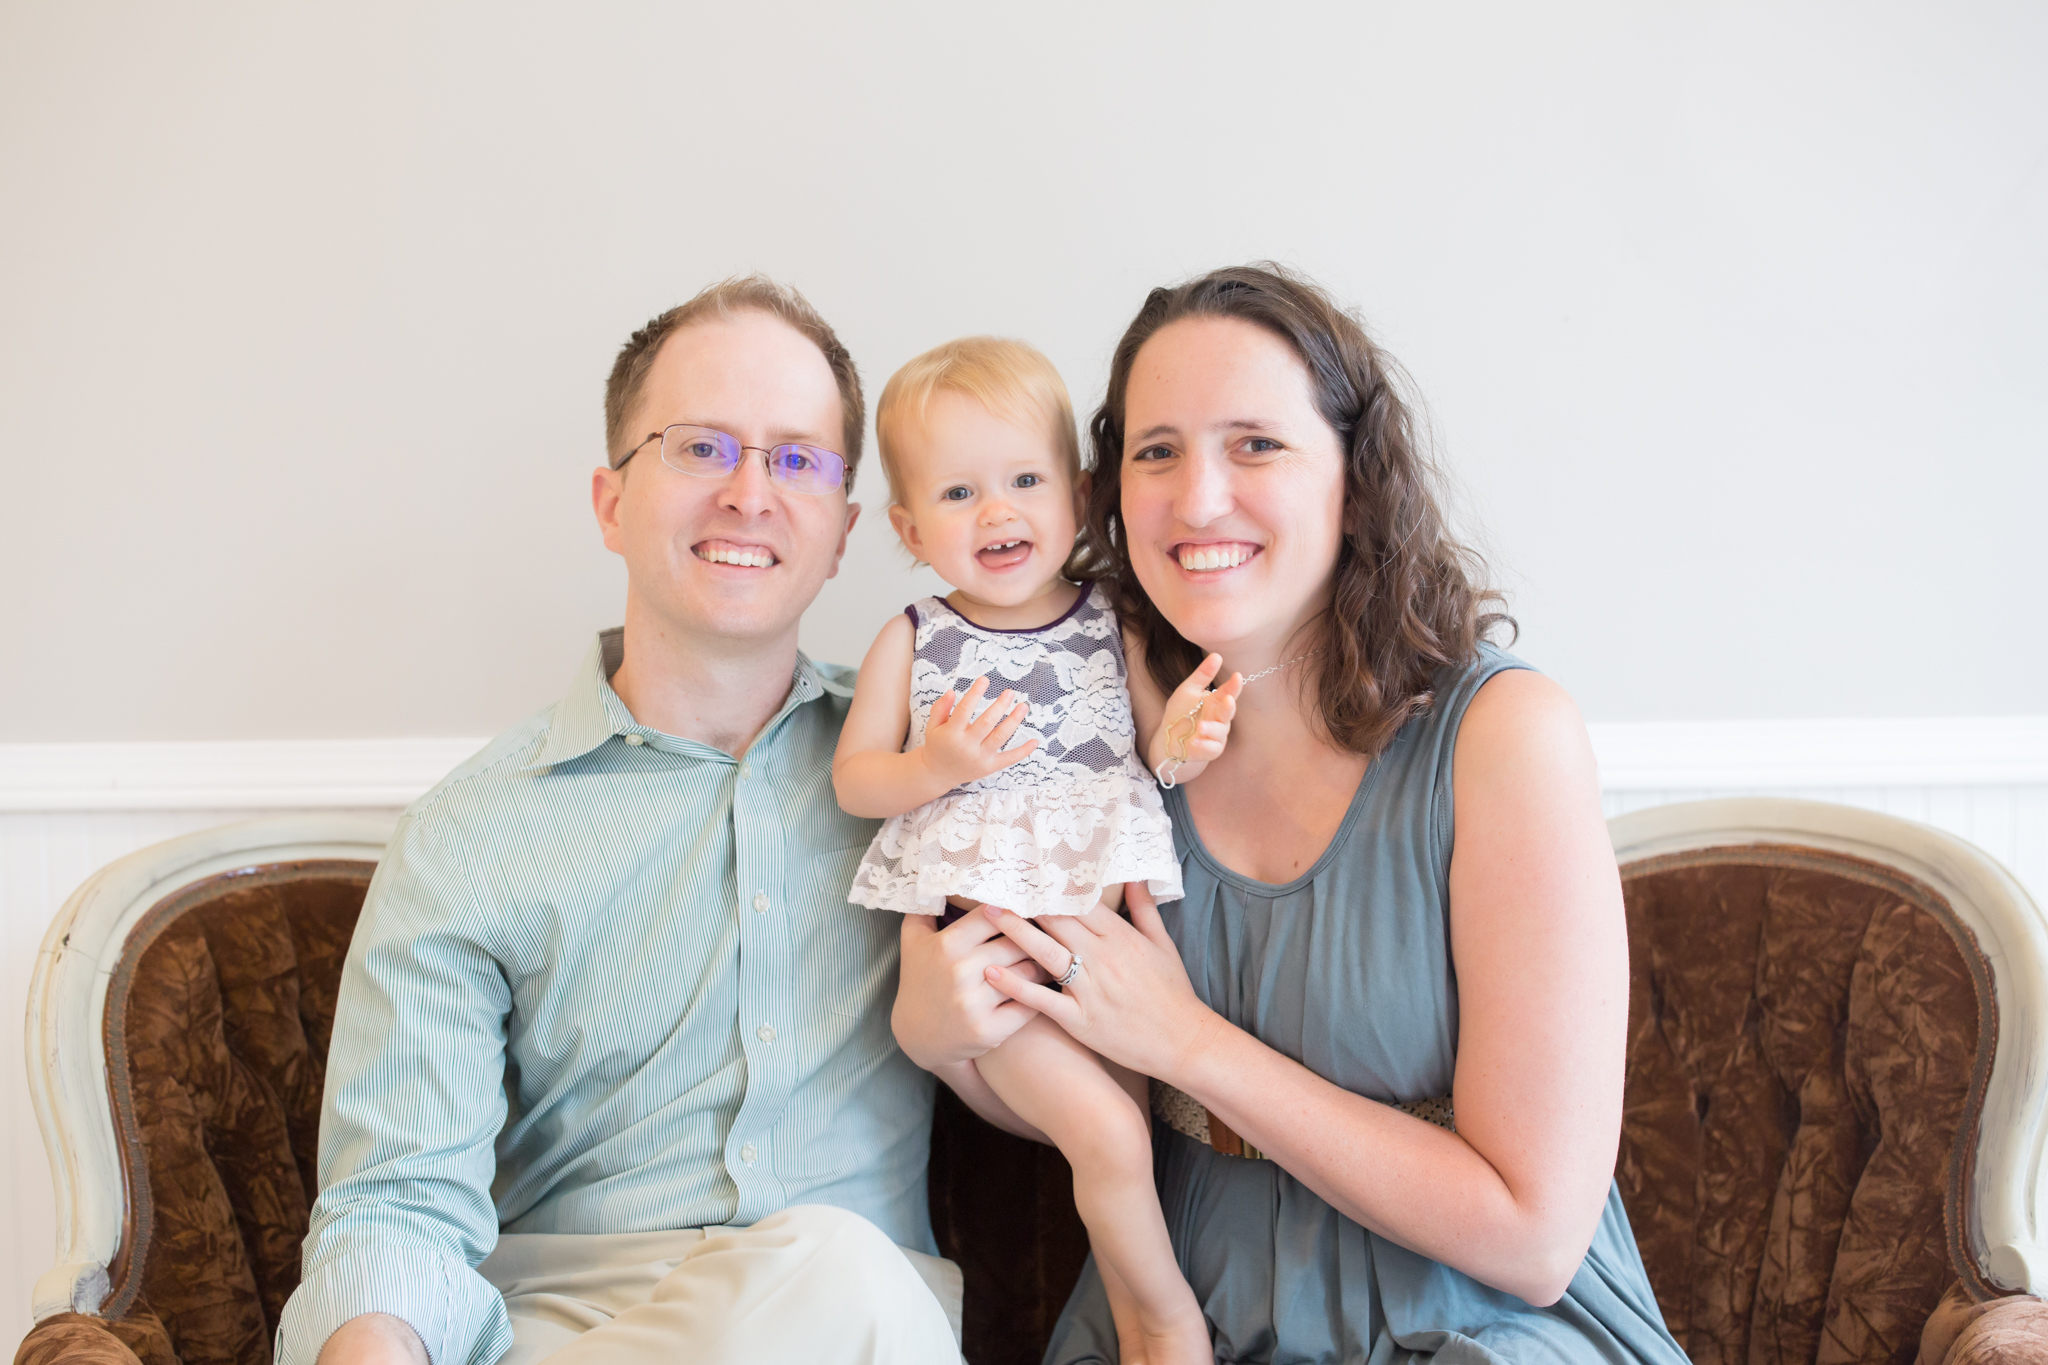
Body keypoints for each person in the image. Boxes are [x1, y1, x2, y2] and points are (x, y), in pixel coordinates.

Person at [893, 265, 1691, 1363]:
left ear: (1352, 482)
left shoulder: (1504, 738)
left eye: (1254, 444)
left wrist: (1194, 1044)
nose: (1198, 498)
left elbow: (1531, 1234)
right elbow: (1098, 1091)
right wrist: (943, 1044)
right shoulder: (1097, 734)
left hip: (1469, 1323)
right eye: (1155, 451)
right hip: (1181, 1318)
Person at [277, 276, 978, 1365]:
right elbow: (397, 1206)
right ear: (610, 501)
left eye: (795, 459)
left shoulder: (935, 774)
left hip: (859, 1319)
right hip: (567, 1330)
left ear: (841, 533)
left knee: (842, 1270)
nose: (750, 493)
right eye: (701, 448)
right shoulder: (468, 835)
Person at [832, 338, 1237, 1365]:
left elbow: (1153, 749)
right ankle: (1164, 1325)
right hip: (993, 957)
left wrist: (1184, 739)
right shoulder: (917, 636)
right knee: (1106, 1138)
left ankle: (1112, 1328)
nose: (996, 512)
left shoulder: (1112, 621)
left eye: (1022, 480)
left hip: (1105, 952)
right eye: (958, 493)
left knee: (1127, 1131)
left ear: (1078, 493)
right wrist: (933, 765)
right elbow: (854, 778)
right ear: (909, 528)